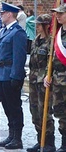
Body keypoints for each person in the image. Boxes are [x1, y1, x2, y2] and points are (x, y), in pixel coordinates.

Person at [0, 2, 27, 149]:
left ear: (9, 14)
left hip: (10, 74)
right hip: (1, 73)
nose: (0, 15)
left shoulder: (18, 32)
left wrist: (16, 76)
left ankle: (17, 138)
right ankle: (11, 134)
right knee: (7, 106)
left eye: (2, 13)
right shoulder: (3, 31)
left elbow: (19, 57)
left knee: (14, 106)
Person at [27, 14, 55, 152]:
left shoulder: (51, 42)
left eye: (39, 24)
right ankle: (40, 140)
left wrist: (47, 76)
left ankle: (49, 143)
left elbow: (53, 64)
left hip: (44, 82)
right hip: (33, 81)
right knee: (34, 112)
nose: (36, 27)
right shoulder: (35, 40)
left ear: (46, 25)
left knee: (45, 112)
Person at [44, 4, 66, 152]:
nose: (57, 16)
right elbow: (50, 57)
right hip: (57, 79)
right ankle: (63, 143)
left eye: (61, 14)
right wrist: (48, 73)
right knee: (59, 111)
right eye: (56, 14)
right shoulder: (57, 34)